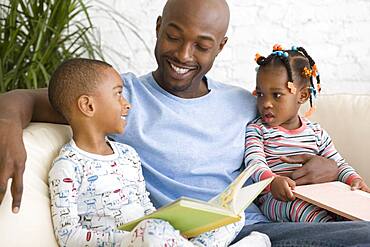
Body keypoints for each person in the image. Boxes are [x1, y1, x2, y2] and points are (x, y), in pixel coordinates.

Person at [0, 0, 369, 246]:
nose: (182, 54)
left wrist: (329, 168)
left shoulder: (246, 101)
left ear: (221, 47)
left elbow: (293, 135)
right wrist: (6, 124)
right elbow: (21, 99)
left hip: (259, 229)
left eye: (202, 46)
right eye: (173, 36)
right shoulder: (119, 98)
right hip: (185, 238)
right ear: (159, 27)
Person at [47, 58, 269, 247]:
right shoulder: (67, 165)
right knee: (153, 230)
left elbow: (146, 208)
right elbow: (68, 235)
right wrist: (132, 238)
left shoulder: (127, 155)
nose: (127, 105)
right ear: (88, 106)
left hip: (155, 239)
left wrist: (172, 230)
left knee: (234, 216)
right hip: (133, 241)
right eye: (118, 95)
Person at [244, 44, 370, 222]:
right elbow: (253, 163)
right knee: (299, 208)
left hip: (320, 197)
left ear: (302, 96)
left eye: (277, 95)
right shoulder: (257, 129)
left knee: (350, 209)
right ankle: (330, 235)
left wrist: (354, 179)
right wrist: (272, 182)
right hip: (277, 199)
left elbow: (338, 163)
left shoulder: (316, 132)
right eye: (261, 94)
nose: (266, 103)